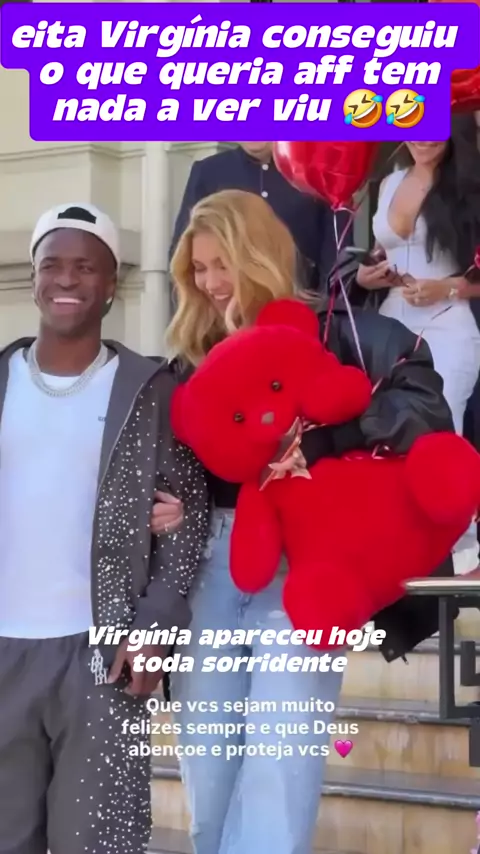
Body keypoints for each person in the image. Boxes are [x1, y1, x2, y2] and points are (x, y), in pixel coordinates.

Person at [151, 189, 455, 854]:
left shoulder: (345, 333)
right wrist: (167, 505)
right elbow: (174, 466)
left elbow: (424, 410)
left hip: (308, 565)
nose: (211, 282)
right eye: (198, 268)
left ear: (260, 255)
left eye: (223, 263)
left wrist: (324, 440)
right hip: (212, 564)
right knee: (207, 766)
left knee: (280, 763)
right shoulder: (187, 358)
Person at [0, 203, 209, 854]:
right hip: (4, 648)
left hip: (105, 654)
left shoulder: (151, 390)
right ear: (34, 278)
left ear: (112, 284)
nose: (66, 280)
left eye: (85, 267)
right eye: (52, 265)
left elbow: (187, 517)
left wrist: (155, 628)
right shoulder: (2, 380)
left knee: (99, 840)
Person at [356, 114, 480, 570]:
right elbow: (382, 252)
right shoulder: (390, 182)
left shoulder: (470, 185)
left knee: (444, 428)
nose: (423, 136)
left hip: (449, 321)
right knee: (389, 430)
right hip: (392, 324)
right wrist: (366, 276)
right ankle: (403, 548)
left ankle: (465, 554)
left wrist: (447, 287)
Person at [170, 142, 351, 293]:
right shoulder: (208, 172)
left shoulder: (318, 170)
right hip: (226, 313)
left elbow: (337, 255)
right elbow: (183, 255)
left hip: (300, 310)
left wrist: (325, 314)